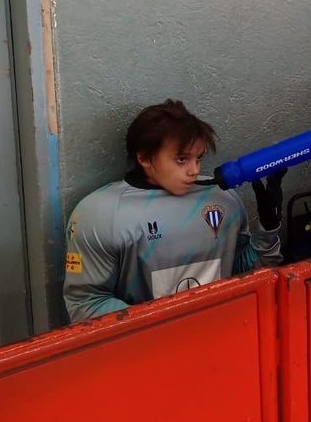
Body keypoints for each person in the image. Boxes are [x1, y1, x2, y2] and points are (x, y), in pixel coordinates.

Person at [63, 99, 285, 322]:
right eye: (182, 159)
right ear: (144, 158)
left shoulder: (223, 197)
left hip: (222, 335)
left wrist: (267, 229)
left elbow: (245, 275)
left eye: (198, 158)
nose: (194, 170)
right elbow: (87, 304)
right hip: (151, 350)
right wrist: (162, 328)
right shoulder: (101, 213)